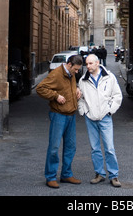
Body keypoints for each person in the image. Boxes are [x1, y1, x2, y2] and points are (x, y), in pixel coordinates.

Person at [36, 54, 83, 189]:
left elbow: (68, 87)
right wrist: (55, 96)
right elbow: (40, 88)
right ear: (69, 64)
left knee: (70, 146)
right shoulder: (56, 74)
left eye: (78, 70)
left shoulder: (71, 74)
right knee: (54, 147)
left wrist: (77, 89)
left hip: (70, 114)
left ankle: (66, 174)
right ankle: (50, 177)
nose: (77, 72)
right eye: (75, 69)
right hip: (58, 115)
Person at [78, 54, 122, 187]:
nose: (88, 66)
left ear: (97, 63)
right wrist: (83, 111)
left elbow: (117, 96)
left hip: (105, 117)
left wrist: (110, 110)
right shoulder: (83, 80)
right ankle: (99, 174)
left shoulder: (109, 77)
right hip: (90, 118)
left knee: (109, 148)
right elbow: (80, 98)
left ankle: (114, 176)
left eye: (91, 63)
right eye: (87, 64)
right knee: (95, 148)